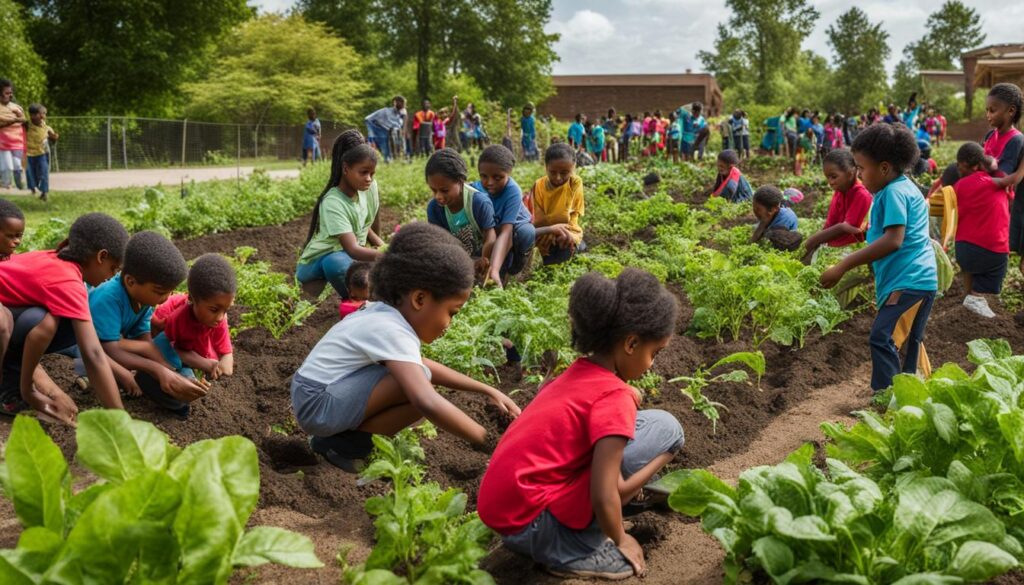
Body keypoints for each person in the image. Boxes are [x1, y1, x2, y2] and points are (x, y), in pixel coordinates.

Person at [477, 268, 683, 580]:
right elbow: (603, 494)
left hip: (506, 511)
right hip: (533, 523)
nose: (652, 363)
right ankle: (574, 547)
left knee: (655, 423)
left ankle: (587, 522)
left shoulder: (575, 374)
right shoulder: (615, 397)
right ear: (631, 344)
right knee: (670, 432)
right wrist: (621, 537)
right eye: (654, 353)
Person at [292, 222, 521, 472]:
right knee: (417, 386)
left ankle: (338, 440)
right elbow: (427, 401)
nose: (449, 324)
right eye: (451, 312)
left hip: (316, 395)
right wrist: (491, 443)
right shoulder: (391, 328)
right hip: (317, 403)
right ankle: (341, 445)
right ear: (420, 299)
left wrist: (487, 389)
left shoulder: (385, 315)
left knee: (418, 377)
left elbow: (421, 364)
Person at [820, 123, 937, 393]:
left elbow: (894, 239)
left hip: (909, 281)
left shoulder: (893, 192)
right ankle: (908, 396)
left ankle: (885, 397)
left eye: (861, 169)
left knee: (881, 337)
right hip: (918, 280)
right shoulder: (901, 187)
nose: (859, 175)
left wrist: (842, 265)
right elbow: (885, 233)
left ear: (884, 168)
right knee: (909, 341)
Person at [0, 213, 129, 423]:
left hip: (7, 317)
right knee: (57, 324)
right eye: (113, 268)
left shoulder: (56, 258)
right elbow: (93, 354)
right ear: (101, 257)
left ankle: (14, 385)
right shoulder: (67, 281)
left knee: (47, 320)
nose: (111, 276)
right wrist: (121, 421)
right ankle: (8, 389)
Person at [85, 231, 209, 418]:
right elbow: (107, 350)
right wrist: (156, 370)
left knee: (164, 346)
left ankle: (184, 378)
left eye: (170, 291)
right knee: (136, 373)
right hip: (87, 349)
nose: (166, 298)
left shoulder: (143, 298)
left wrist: (170, 371)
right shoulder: (107, 299)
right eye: (160, 292)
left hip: (116, 344)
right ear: (131, 281)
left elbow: (144, 339)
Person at [297, 130, 383, 298]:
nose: (369, 179)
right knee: (335, 262)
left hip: (349, 253)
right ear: (345, 167)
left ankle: (367, 297)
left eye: (371, 174)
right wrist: (386, 255)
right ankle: (357, 301)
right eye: (363, 172)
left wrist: (382, 247)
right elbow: (351, 249)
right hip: (322, 261)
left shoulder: (367, 187)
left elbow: (364, 226)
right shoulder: (333, 202)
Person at [151, 253, 237, 389]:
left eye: (225, 310)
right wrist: (207, 364)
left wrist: (223, 363)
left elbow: (226, 354)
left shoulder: (218, 317)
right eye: (214, 310)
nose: (221, 317)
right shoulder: (179, 319)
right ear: (192, 299)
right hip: (166, 328)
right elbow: (171, 348)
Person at [952, 143, 1014, 318]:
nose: (957, 168)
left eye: (959, 164)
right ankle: (976, 297)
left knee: (970, 268)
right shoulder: (997, 183)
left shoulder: (960, 185)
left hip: (962, 249)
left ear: (972, 166)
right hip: (993, 251)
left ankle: (968, 298)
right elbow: (1010, 196)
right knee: (992, 280)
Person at [425, 148, 496, 281]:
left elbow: (490, 236)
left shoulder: (478, 202)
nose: (439, 196)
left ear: (460, 181)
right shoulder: (434, 209)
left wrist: (484, 260)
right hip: (457, 256)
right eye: (433, 190)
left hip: (482, 253)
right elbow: (440, 243)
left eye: (445, 190)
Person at [471, 145, 535, 287]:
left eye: (497, 177)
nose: (490, 182)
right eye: (484, 176)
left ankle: (517, 267)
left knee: (526, 233)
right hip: (494, 227)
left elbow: (507, 233)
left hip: (515, 227)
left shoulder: (512, 191)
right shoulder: (475, 190)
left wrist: (494, 269)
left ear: (509, 174)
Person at [802, 149, 872, 261]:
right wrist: (819, 241)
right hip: (835, 246)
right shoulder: (840, 191)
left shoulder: (862, 194)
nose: (830, 182)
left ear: (850, 173)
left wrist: (813, 240)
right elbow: (831, 222)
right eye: (827, 178)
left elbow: (847, 228)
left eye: (834, 177)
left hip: (854, 250)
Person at [530, 143, 585, 266]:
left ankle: (577, 246)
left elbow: (573, 217)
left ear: (574, 167)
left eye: (564, 172)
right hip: (543, 232)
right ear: (546, 168)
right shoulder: (539, 185)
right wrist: (550, 230)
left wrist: (568, 234)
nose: (558, 178)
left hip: (566, 231)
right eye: (552, 172)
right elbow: (537, 218)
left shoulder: (574, 183)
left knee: (565, 247)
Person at [24, 104, 57, 201]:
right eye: (41, 114)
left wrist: (54, 138)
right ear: (32, 116)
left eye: (44, 114)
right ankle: (33, 189)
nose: (43, 116)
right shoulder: (26, 125)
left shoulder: (47, 128)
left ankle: (44, 192)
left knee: (43, 173)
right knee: (30, 173)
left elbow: (53, 140)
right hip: (28, 154)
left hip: (42, 154)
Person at [751, 186, 800, 250]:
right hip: (771, 225)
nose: (754, 211)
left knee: (769, 235)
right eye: (753, 207)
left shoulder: (785, 219)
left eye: (758, 209)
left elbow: (772, 243)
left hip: (785, 242)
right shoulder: (768, 214)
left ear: (772, 210)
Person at [0, 80, 26, 190]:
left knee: (17, 165)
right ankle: (7, 186)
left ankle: (20, 186)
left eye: (11, 93)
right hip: (2, 143)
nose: (10, 95)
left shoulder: (17, 107)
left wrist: (19, 116)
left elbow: (24, 121)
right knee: (7, 167)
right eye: (7, 93)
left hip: (17, 142)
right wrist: (13, 120)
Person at [365, 96, 406, 163]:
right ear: (395, 102)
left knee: (399, 152)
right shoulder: (385, 111)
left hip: (396, 135)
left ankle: (396, 162)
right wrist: (373, 132)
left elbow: (400, 125)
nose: (404, 105)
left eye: (404, 103)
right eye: (402, 103)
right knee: (386, 155)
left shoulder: (401, 114)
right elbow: (367, 119)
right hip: (384, 133)